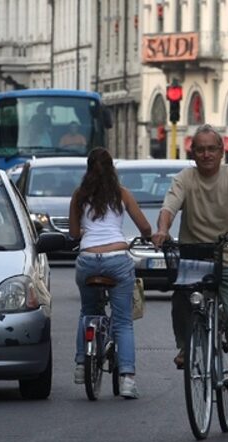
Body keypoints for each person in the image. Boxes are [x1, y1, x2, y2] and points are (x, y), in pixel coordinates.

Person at [151, 124, 228, 408]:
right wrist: (162, 230)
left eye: (212, 149)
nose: (206, 154)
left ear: (222, 152)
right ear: (193, 153)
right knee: (181, 297)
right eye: (200, 149)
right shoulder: (185, 178)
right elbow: (169, 207)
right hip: (196, 255)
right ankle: (185, 345)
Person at [69, 147, 152, 399]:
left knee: (88, 312)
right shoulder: (121, 194)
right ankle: (127, 379)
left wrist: (87, 234)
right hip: (117, 258)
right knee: (123, 321)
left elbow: (73, 233)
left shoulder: (79, 195)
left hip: (87, 260)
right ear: (112, 169)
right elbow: (145, 227)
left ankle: (82, 365)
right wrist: (147, 237)